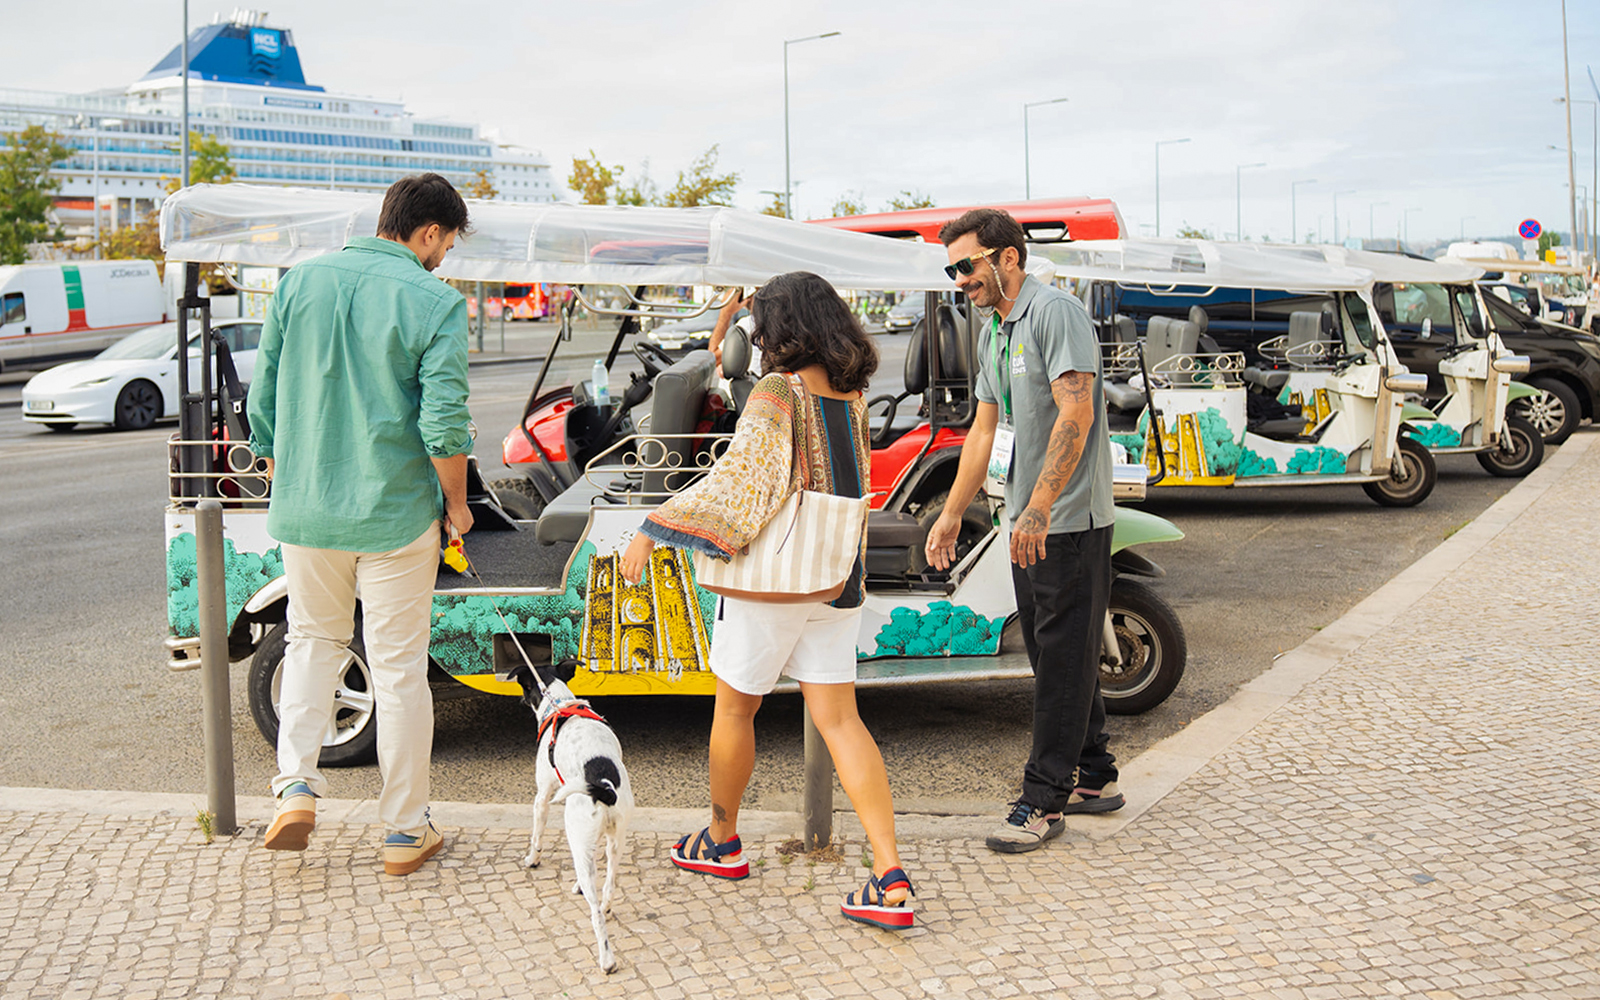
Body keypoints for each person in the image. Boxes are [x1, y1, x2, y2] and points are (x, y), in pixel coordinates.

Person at [619, 271, 916, 930]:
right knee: (841, 720)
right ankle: (889, 875)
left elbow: (740, 482)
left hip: (775, 579)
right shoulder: (851, 391)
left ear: (782, 326)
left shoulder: (780, 391)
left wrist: (656, 524)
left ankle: (721, 840)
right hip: (838, 572)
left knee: (736, 707)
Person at [248, 173, 474, 876]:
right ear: (429, 232)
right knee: (401, 670)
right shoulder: (436, 303)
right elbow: (443, 423)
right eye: (447, 244)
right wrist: (459, 505)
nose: (444, 258)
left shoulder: (299, 283)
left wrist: (284, 466)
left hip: (307, 509)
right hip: (395, 510)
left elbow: (265, 396)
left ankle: (294, 788)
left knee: (314, 642)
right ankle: (406, 831)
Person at [925, 208, 1124, 855]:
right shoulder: (994, 332)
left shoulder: (1054, 313)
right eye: (952, 269)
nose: (959, 279)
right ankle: (1094, 774)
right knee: (1048, 654)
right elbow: (984, 430)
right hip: (1027, 521)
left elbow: (1078, 408)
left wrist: (1040, 506)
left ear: (1009, 257)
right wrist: (953, 511)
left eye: (967, 264)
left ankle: (1044, 798)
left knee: (1062, 660)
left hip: (1066, 521)